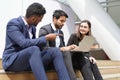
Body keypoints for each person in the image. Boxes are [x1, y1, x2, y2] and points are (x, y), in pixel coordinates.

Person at [2, 3, 70, 80]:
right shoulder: (14, 24)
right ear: (33, 18)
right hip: (12, 61)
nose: (40, 22)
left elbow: (36, 45)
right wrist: (45, 38)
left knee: (55, 51)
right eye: (39, 19)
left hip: (29, 61)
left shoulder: (33, 28)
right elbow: (24, 43)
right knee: (33, 49)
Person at [39, 10, 77, 80]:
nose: (63, 23)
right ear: (54, 19)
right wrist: (63, 49)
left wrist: (69, 48)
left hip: (59, 60)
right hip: (47, 60)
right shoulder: (44, 30)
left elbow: (63, 47)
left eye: (64, 21)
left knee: (73, 53)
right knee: (66, 53)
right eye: (61, 21)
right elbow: (44, 49)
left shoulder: (61, 32)